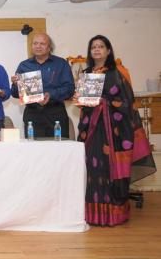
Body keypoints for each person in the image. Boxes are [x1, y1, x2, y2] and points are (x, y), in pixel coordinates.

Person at [76, 35, 156, 226]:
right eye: (93, 47)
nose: (97, 50)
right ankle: (93, 214)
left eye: (101, 46)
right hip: (92, 130)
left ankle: (114, 214)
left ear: (108, 50)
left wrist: (102, 102)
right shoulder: (87, 73)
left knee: (110, 169)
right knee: (92, 169)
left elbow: (127, 102)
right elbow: (86, 104)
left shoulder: (118, 72)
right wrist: (79, 99)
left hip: (114, 131)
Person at [10, 33, 74, 138]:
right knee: (34, 151)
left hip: (56, 113)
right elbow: (15, 94)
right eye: (35, 43)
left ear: (49, 48)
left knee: (59, 150)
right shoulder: (24, 65)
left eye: (42, 44)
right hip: (32, 114)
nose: (38, 46)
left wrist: (51, 94)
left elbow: (70, 89)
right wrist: (15, 85)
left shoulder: (61, 64)